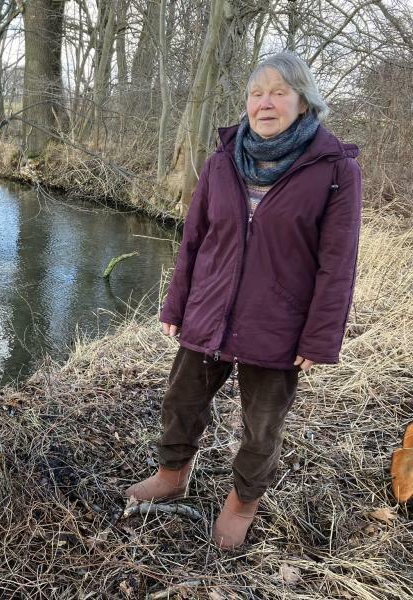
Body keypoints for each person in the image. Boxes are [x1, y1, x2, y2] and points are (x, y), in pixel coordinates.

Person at [124, 52, 362, 549]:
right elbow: (193, 240)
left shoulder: (334, 169)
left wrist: (319, 338)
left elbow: (337, 264)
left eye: (279, 92)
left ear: (303, 101)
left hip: (279, 324)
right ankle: (173, 474)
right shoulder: (221, 160)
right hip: (209, 312)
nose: (265, 102)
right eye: (257, 93)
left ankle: (242, 502)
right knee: (181, 401)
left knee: (261, 427)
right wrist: (176, 306)